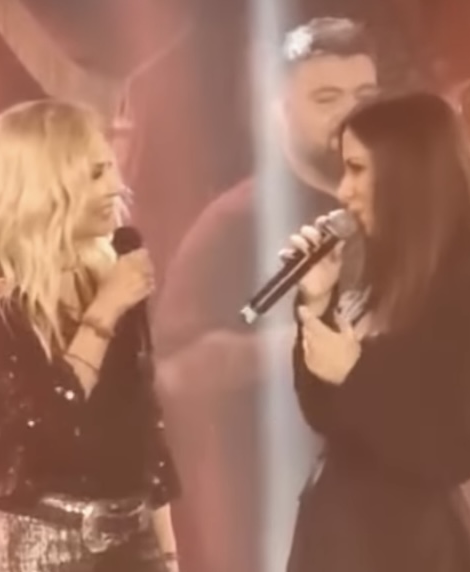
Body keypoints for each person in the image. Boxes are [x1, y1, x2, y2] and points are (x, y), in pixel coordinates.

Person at [154, 17, 378, 572]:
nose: (351, 115)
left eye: (364, 97)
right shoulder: (234, 223)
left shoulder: (406, 215)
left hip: (389, 512)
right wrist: (296, 347)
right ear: (278, 110)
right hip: (275, 527)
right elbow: (171, 374)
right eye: (326, 98)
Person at [284, 92, 470, 572]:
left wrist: (357, 373)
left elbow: (466, 443)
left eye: (357, 169)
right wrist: (318, 302)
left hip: (411, 551)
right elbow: (324, 411)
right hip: (337, 543)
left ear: (405, 173)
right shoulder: (378, 283)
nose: (343, 191)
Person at [0, 99, 180, 572]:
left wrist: (168, 554)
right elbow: (50, 420)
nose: (116, 186)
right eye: (95, 174)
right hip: (38, 542)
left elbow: (143, 423)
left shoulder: (110, 271)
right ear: (43, 186)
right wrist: (105, 309)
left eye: (110, 168)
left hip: (133, 540)